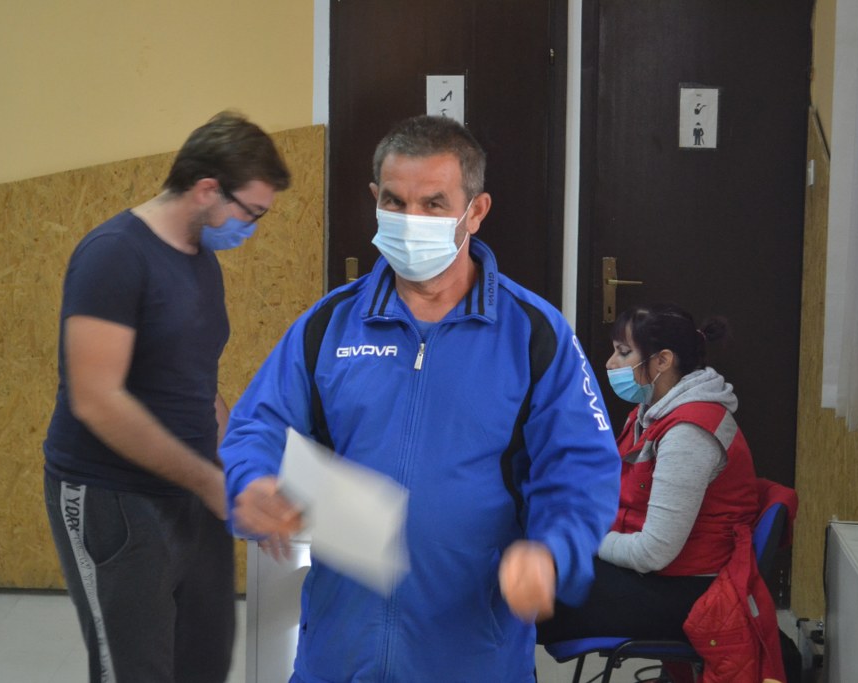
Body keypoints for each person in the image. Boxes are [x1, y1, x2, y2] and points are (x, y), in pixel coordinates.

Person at [221, 114, 621, 682]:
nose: (411, 220)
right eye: (395, 201)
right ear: (375, 200)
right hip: (340, 655)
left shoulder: (533, 334)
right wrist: (251, 479)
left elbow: (580, 466)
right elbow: (256, 425)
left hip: (472, 655)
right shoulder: (329, 325)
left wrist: (555, 551)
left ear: (475, 212)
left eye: (434, 204)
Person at [42, 110, 290, 683]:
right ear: (207, 189)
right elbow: (96, 399)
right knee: (137, 670)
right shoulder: (113, 255)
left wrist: (240, 470)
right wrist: (210, 482)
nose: (250, 228)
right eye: (251, 213)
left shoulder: (201, 261)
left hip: (190, 495)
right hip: (113, 500)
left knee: (203, 661)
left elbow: (196, 384)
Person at [537, 303, 787, 681]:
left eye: (624, 352)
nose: (610, 363)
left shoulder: (689, 432)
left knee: (516, 588)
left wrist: (584, 538)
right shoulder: (649, 414)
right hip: (658, 577)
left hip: (686, 592)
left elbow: (652, 552)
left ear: (663, 361)